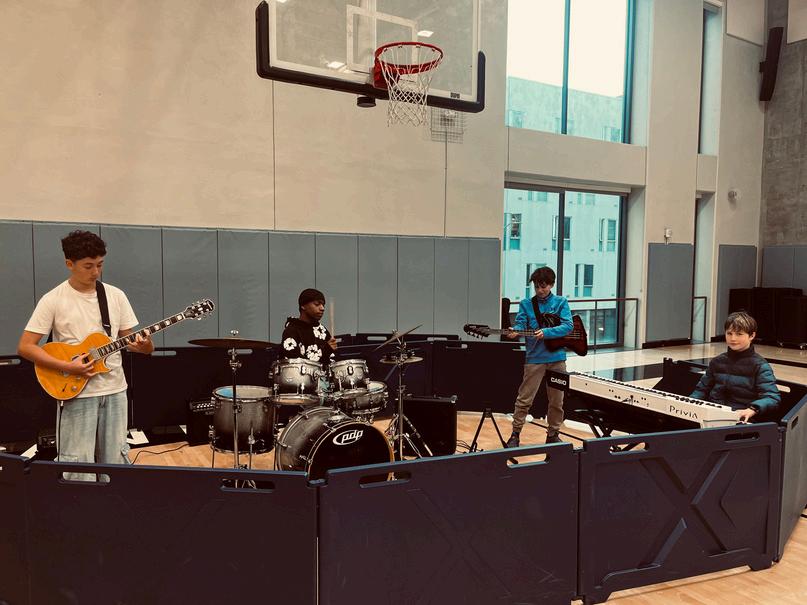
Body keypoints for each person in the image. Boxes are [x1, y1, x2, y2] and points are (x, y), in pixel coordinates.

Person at [17, 230, 153, 480]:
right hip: (76, 391)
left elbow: (134, 343)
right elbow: (26, 346)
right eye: (88, 266)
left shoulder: (115, 296)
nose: (96, 272)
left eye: (100, 264)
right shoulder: (53, 299)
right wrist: (67, 367)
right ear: (69, 264)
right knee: (77, 464)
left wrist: (145, 345)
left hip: (115, 390)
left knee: (116, 460)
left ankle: (113, 502)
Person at [504, 267, 573, 446]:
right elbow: (521, 324)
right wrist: (515, 331)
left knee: (557, 401)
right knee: (524, 398)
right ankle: (515, 434)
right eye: (536, 287)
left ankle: (553, 434)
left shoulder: (561, 302)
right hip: (534, 358)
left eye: (543, 286)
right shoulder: (526, 304)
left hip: (557, 358)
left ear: (551, 285)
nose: (540, 290)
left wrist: (547, 332)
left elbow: (568, 326)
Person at [690, 311, 780, 422]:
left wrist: (752, 409)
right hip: (714, 414)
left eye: (739, 334)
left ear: (752, 336)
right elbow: (702, 389)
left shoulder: (760, 366)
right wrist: (690, 404)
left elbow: (772, 397)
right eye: (729, 333)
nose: (733, 338)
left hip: (740, 418)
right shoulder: (717, 361)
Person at [280, 288, 338, 364]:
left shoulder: (322, 331)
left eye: (323, 305)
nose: (322, 308)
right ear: (303, 306)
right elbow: (295, 364)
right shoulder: (292, 330)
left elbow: (332, 362)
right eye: (317, 304)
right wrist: (326, 351)